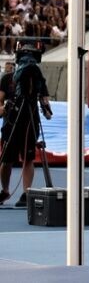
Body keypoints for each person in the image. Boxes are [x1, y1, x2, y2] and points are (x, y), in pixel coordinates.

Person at [0, 43, 53, 207]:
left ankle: (27, 192)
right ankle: (5, 190)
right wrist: (2, 108)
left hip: (30, 121)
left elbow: (45, 102)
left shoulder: (38, 79)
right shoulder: (8, 78)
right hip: (12, 121)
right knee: (7, 159)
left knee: (28, 158)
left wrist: (46, 110)